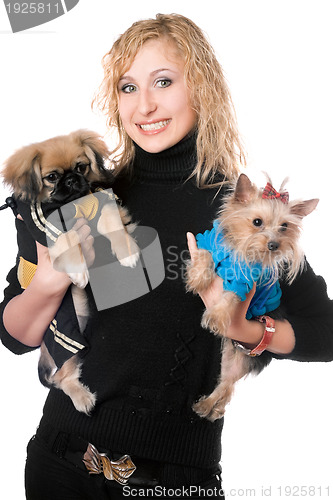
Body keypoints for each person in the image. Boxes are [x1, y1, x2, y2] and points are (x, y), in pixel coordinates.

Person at [1, 13, 333, 500]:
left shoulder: (240, 212)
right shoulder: (89, 196)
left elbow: (324, 331)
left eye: (162, 81)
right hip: (60, 463)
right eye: (127, 87)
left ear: (200, 86)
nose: (145, 104)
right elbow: (16, 336)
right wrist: (48, 284)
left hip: (173, 481)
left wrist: (244, 329)